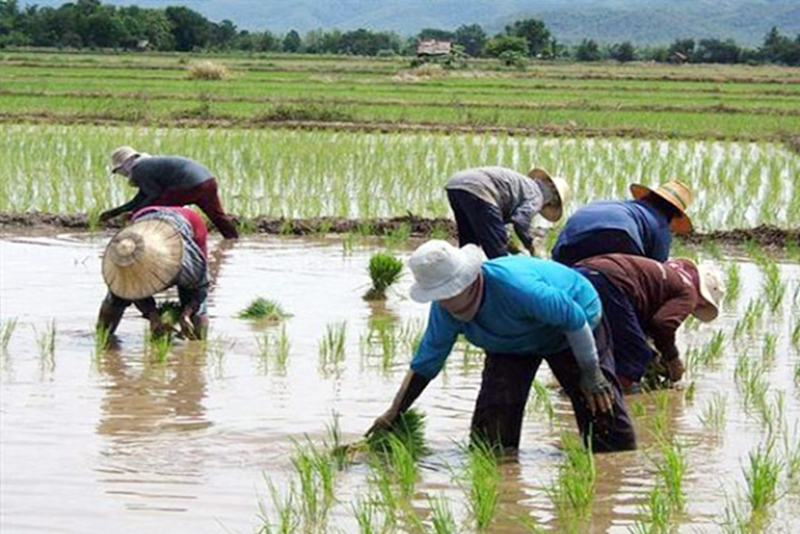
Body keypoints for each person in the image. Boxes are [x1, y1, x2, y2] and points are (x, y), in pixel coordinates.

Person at [368, 240, 636, 453]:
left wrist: (591, 373)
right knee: (490, 438)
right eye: (440, 296)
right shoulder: (445, 312)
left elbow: (573, 319)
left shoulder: (516, 287)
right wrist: (395, 412)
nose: (447, 302)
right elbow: (427, 363)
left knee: (600, 412)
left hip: (572, 329)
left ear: (470, 278)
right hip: (510, 344)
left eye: (452, 291)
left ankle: (614, 472)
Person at [574, 254, 725, 391]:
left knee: (589, 340)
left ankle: (573, 388)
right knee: (634, 356)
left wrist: (655, 357)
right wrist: (673, 360)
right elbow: (662, 325)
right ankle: (606, 397)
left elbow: (636, 326)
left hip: (582, 270)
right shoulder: (689, 291)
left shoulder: (668, 276)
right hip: (610, 281)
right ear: (703, 301)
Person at [97, 206, 210, 340]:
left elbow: (201, 285)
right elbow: (132, 291)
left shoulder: (185, 263)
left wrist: (187, 312)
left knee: (195, 303)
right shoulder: (124, 255)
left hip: (187, 222)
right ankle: (102, 337)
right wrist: (152, 315)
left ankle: (199, 346)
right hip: (143, 222)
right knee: (118, 294)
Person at [99, 146, 239, 239]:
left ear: (124, 165)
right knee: (218, 217)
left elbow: (153, 196)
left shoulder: (139, 169)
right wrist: (114, 212)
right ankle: (232, 241)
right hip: (207, 181)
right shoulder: (147, 165)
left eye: (119, 171)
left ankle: (161, 242)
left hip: (189, 185)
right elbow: (141, 197)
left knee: (156, 211)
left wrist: (135, 213)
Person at [551, 180, 692, 265]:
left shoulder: (621, 206)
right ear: (674, 214)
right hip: (619, 236)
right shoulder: (660, 226)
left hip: (576, 228)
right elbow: (657, 272)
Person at [445, 167, 570, 259]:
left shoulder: (525, 186)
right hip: (480, 189)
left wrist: (514, 249)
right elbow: (520, 221)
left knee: (469, 243)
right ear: (552, 200)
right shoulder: (537, 195)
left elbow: (497, 227)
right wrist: (531, 246)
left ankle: (467, 281)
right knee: (498, 256)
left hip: (456, 185)